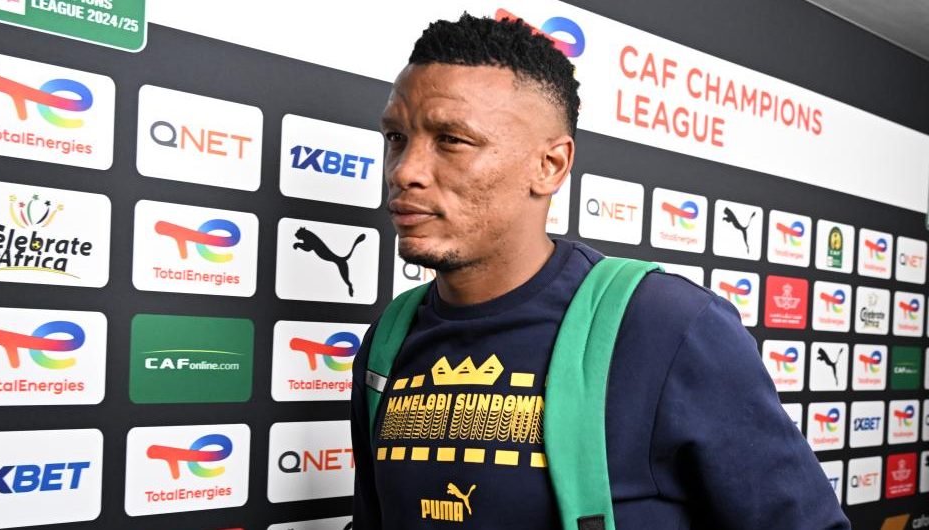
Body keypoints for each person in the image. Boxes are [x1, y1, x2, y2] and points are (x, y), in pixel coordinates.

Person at [350, 13, 850, 530]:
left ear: (550, 166)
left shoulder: (669, 326)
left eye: (452, 140)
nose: (404, 171)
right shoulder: (389, 338)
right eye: (396, 137)